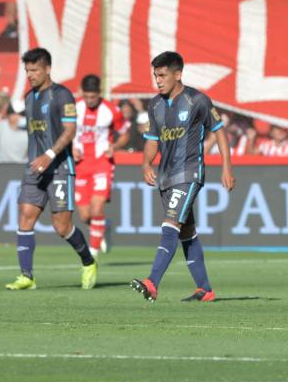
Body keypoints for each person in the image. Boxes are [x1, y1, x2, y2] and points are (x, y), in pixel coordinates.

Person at [131, 51, 236, 302]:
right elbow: (152, 140)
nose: (158, 80)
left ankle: (152, 282)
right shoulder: (155, 104)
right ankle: (205, 289)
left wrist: (227, 167)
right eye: (155, 75)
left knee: (170, 224)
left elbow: (219, 132)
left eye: (162, 75)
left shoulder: (197, 100)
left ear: (178, 74)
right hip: (166, 177)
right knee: (186, 231)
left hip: (189, 173)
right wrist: (146, 162)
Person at [5, 48, 98, 291]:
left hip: (59, 167)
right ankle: (27, 276)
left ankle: (88, 262)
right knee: (25, 217)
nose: (30, 75)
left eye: (34, 70)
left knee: (62, 227)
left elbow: (70, 131)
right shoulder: (28, 97)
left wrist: (49, 154)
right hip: (35, 168)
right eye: (27, 70)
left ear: (47, 69)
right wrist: (37, 158)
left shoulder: (62, 95)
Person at [73, 75, 129, 257]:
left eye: (93, 97)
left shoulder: (111, 110)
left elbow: (125, 134)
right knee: (84, 216)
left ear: (99, 93)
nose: (90, 100)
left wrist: (115, 146)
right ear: (82, 93)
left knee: (97, 208)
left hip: (102, 163)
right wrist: (71, 148)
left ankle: (93, 253)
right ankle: (102, 228)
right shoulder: (73, 108)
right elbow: (63, 132)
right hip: (80, 165)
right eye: (87, 96)